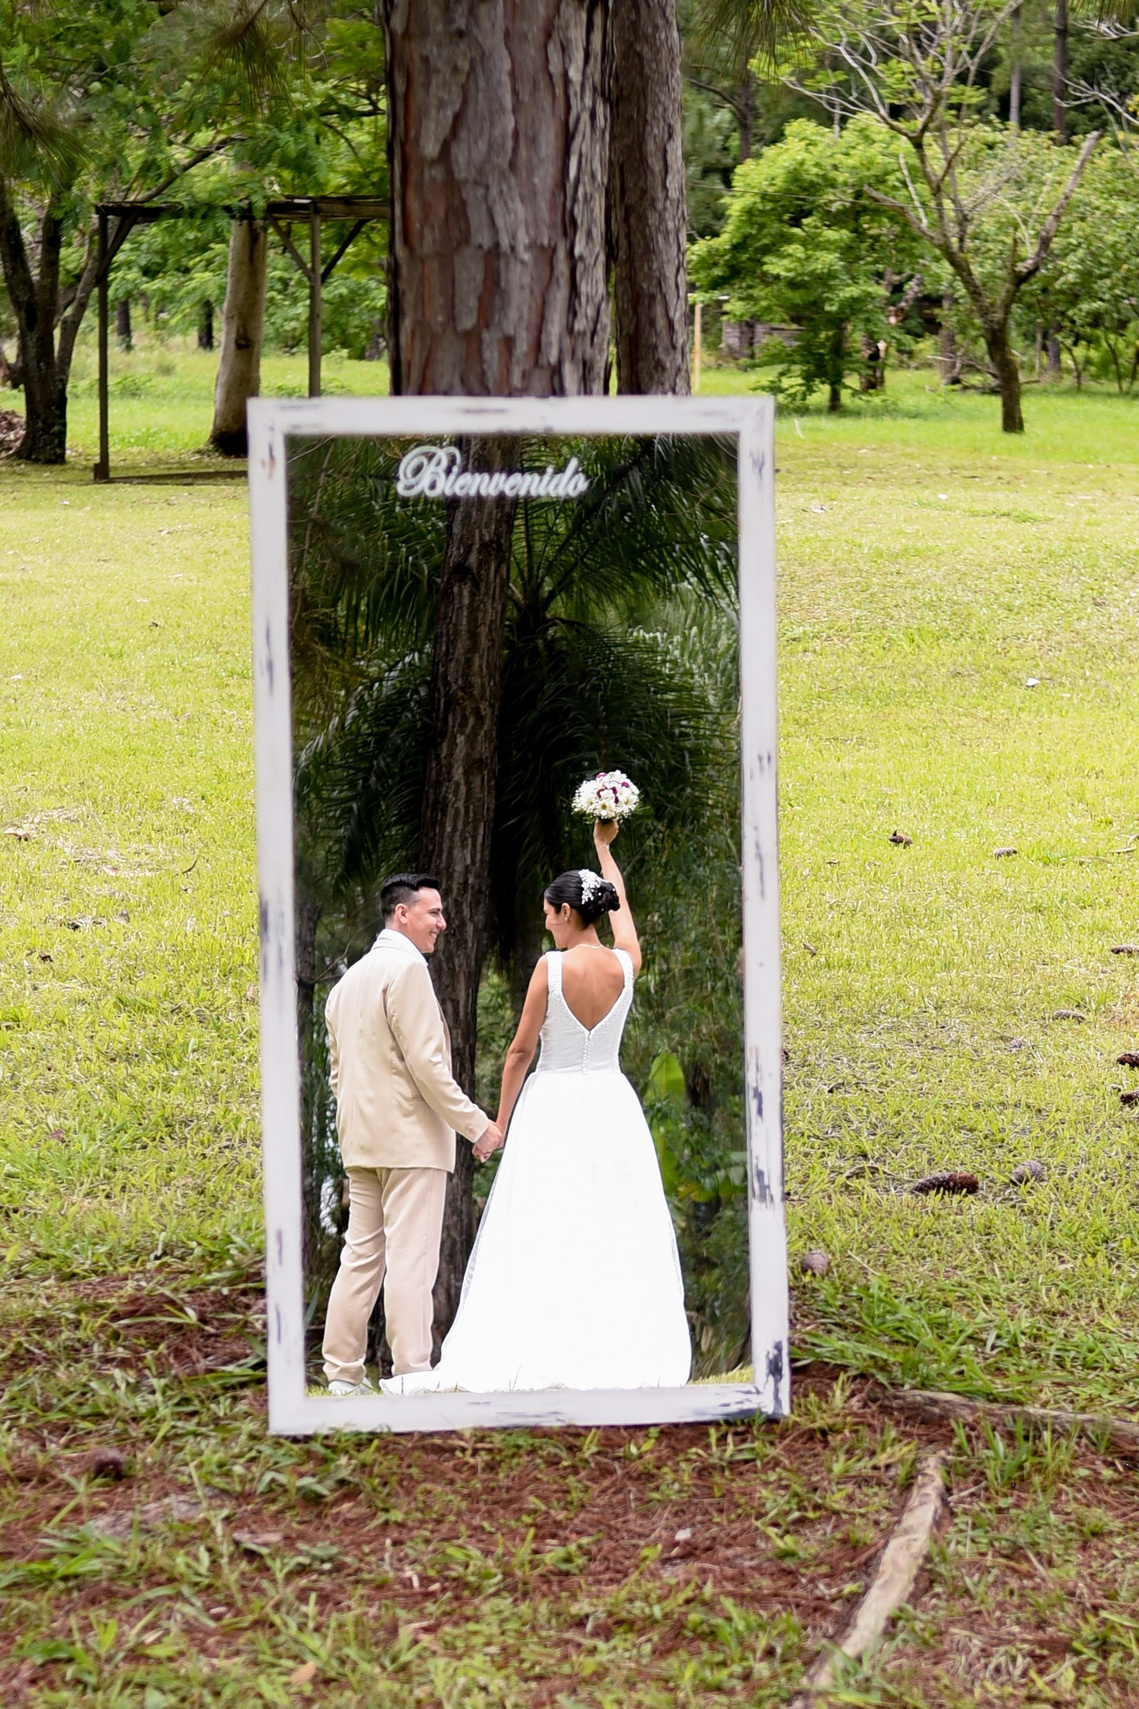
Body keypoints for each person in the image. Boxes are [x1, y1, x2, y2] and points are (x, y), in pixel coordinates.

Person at [383, 822, 692, 1394]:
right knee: (608, 1221)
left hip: (552, 1105)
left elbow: (520, 1051)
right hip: (610, 1102)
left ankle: (541, 1340)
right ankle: (610, 1345)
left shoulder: (551, 968)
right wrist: (604, 848)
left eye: (550, 913)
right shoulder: (627, 964)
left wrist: (499, 1122)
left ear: (568, 914)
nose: (546, 921)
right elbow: (621, 909)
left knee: (543, 1220)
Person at [321, 873, 503, 1395]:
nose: (442, 924)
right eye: (433, 913)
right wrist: (477, 1126)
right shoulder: (407, 971)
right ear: (402, 914)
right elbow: (428, 1066)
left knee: (360, 1255)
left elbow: (339, 1075)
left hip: (361, 1141)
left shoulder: (347, 983)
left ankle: (341, 1374)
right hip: (411, 1141)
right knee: (411, 1259)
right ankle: (411, 1372)